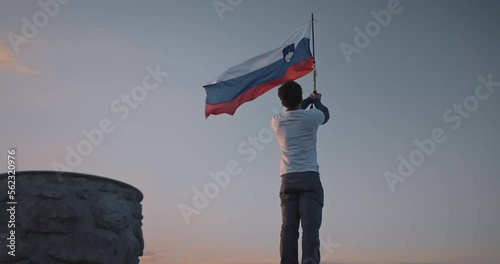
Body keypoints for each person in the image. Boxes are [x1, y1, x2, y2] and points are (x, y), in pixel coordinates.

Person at [271, 80, 330, 264]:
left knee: (288, 229)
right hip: (310, 178)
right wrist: (316, 100)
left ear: (282, 101)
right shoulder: (312, 116)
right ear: (300, 95)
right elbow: (325, 115)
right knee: (310, 228)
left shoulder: (276, 121)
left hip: (288, 179)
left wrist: (307, 100)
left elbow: (296, 107)